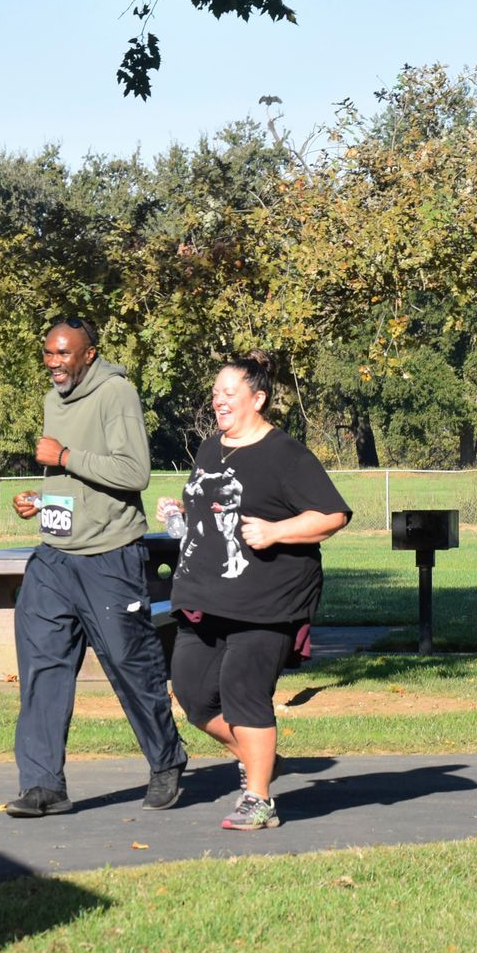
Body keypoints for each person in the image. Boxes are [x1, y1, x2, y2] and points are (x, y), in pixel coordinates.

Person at [3, 317, 188, 817]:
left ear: (89, 354)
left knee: (131, 664)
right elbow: (74, 480)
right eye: (48, 353)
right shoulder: (52, 400)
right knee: (41, 666)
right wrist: (40, 501)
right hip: (54, 557)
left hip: (110, 556)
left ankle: (166, 761)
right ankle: (43, 785)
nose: (55, 363)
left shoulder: (116, 393)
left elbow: (134, 472)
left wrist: (64, 455)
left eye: (64, 354)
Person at [163, 350, 351, 830]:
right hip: (206, 597)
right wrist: (179, 517)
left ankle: (258, 798)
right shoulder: (210, 448)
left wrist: (275, 532)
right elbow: (212, 517)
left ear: (258, 398)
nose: (218, 400)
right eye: (215, 393)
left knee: (243, 692)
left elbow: (332, 515)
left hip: (268, 601)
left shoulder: (285, 454)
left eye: (229, 393)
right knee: (194, 696)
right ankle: (261, 756)